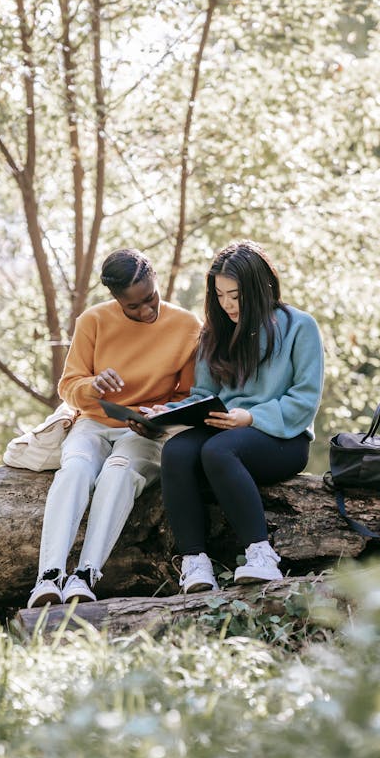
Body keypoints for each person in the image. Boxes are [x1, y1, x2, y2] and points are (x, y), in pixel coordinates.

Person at [26, 249, 201, 608]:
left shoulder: (186, 326)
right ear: (115, 299)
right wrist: (92, 386)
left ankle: (85, 575)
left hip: (145, 433)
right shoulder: (92, 321)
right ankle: (48, 577)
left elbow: (190, 395)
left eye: (150, 298)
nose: (146, 311)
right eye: (133, 306)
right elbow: (68, 386)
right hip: (94, 422)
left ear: (156, 281)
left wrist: (161, 414)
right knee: (74, 470)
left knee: (118, 473)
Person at [147, 239, 324, 594]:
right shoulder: (215, 333)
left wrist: (251, 418)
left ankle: (261, 556)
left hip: (282, 438)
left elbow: (305, 399)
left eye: (236, 295)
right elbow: (201, 397)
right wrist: (163, 413)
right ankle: (195, 562)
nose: (227, 304)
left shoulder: (300, 326)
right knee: (177, 452)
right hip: (224, 429)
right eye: (220, 295)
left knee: (218, 450)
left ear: (260, 288)